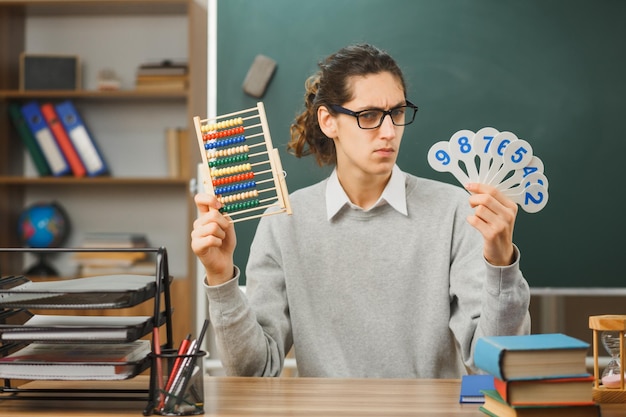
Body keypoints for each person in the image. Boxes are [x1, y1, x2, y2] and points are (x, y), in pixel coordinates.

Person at [191, 43, 531, 378]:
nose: (388, 132)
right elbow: (254, 372)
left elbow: (495, 365)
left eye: (397, 113)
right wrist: (221, 278)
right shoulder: (284, 223)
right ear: (329, 121)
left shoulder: (456, 211)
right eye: (368, 115)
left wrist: (502, 266)